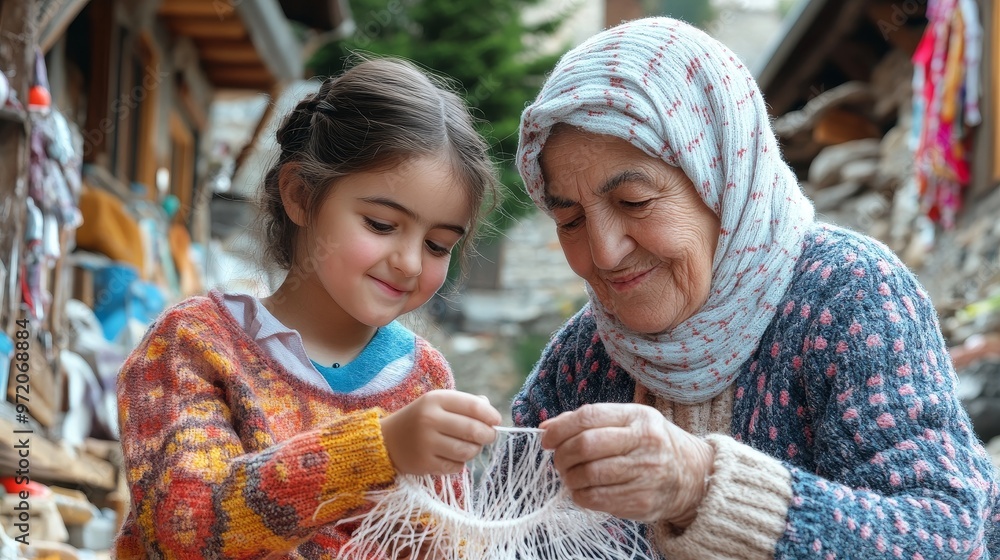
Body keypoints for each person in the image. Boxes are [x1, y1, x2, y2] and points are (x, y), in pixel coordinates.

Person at [512, 16, 1000, 559]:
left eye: (634, 202)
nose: (603, 253)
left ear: (723, 182)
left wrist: (700, 485)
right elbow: (499, 529)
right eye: (570, 219)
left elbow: (947, 538)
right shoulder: (583, 361)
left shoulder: (847, 297)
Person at [114, 58, 503, 558]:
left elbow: (444, 544)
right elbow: (185, 532)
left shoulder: (424, 379)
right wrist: (377, 450)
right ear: (299, 195)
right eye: (382, 225)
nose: (409, 262)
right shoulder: (194, 343)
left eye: (438, 245)